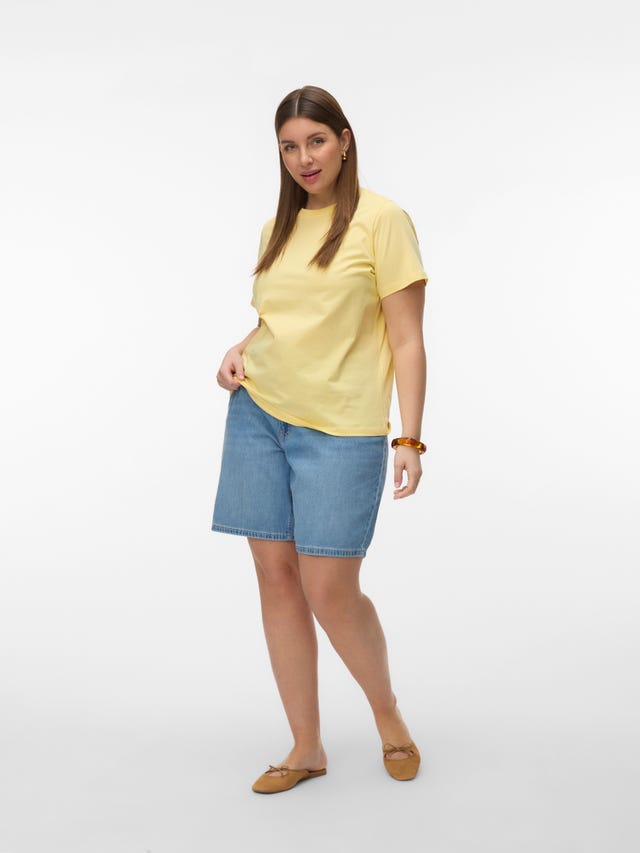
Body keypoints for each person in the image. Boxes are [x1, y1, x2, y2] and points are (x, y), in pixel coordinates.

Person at [211, 85, 428, 794]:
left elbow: (406, 338)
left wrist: (411, 438)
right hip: (258, 417)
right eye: (289, 146)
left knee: (330, 591)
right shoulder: (279, 227)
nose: (304, 158)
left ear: (344, 140)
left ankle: (388, 715)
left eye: (316, 141)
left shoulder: (382, 220)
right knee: (275, 579)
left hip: (340, 430)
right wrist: (240, 347)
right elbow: (281, 321)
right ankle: (306, 746)